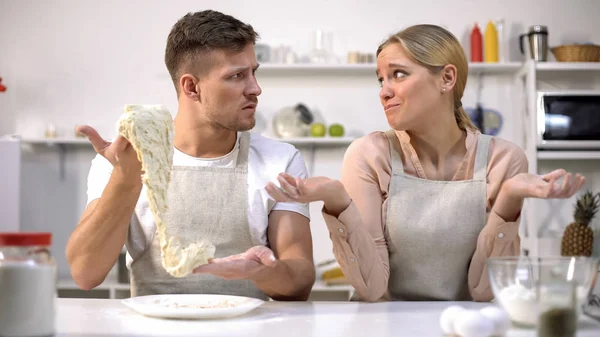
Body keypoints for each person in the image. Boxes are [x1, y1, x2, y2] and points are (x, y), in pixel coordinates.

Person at [265, 24, 585, 302]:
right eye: (381, 80)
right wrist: (337, 202)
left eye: (398, 74)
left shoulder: (504, 160)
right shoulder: (369, 155)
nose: (384, 92)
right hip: (384, 324)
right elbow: (372, 288)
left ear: (446, 78)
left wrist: (509, 200)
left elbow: (483, 291)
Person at [66, 10, 315, 301]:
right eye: (237, 76)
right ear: (191, 87)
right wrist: (126, 180)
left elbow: (299, 284)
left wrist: (258, 271)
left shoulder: (280, 160)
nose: (255, 89)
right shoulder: (123, 162)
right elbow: (85, 274)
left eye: (253, 72)